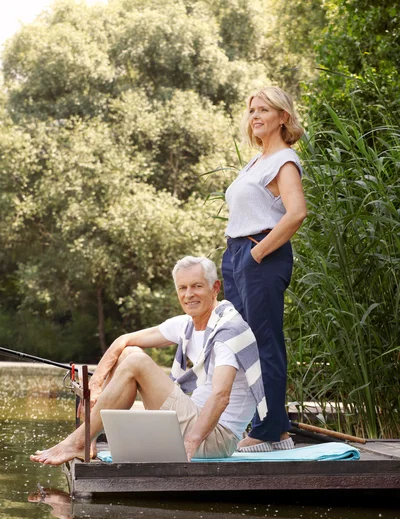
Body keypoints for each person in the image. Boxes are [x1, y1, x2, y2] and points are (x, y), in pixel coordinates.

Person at [30, 256, 265, 465]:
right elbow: (124, 340)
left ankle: (78, 441)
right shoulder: (187, 325)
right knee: (129, 353)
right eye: (182, 287)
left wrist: (189, 446)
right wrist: (96, 384)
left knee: (136, 363)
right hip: (194, 419)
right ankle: (87, 438)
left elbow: (221, 396)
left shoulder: (228, 331)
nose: (188, 294)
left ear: (215, 288)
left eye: (197, 286)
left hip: (215, 438)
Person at [222, 86, 307, 452]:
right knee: (242, 342)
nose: (255, 116)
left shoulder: (284, 160)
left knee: (263, 341)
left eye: (264, 110)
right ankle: (266, 426)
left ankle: (272, 428)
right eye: (252, 110)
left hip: (260, 254)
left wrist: (258, 255)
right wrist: (238, 258)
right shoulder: (254, 162)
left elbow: (297, 212)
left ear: (283, 117)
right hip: (237, 252)